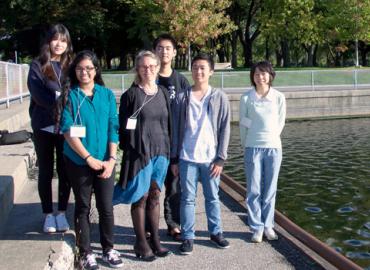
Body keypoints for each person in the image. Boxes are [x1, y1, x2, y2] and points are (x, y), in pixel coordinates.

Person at [59, 50, 123, 270]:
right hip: (78, 162)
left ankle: (108, 248)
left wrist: (112, 159)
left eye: (89, 68)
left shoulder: (106, 94)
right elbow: (68, 131)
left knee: (106, 207)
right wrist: (87, 158)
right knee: (83, 206)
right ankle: (86, 252)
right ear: (74, 70)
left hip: (105, 161)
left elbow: (113, 128)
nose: (84, 72)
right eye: (79, 68)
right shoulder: (70, 96)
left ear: (96, 70)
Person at [113, 51, 172, 261]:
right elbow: (123, 126)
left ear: (158, 67)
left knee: (156, 195)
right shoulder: (131, 95)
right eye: (143, 66)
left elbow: (167, 122)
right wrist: (130, 149)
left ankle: (155, 239)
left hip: (162, 150)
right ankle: (140, 241)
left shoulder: (163, 92)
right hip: (141, 152)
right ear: (137, 69)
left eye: (152, 66)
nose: (148, 70)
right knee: (141, 196)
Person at [171, 53, 231, 255]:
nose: (199, 71)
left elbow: (225, 129)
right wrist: (175, 158)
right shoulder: (182, 97)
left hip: (211, 158)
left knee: (213, 197)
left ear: (211, 71)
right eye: (195, 67)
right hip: (187, 157)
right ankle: (188, 236)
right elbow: (176, 129)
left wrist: (221, 158)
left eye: (203, 67)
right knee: (187, 198)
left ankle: (216, 232)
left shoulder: (219, 97)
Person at [27, 24, 72, 233]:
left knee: (65, 170)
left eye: (63, 40)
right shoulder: (38, 65)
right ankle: (47, 215)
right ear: (48, 41)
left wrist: (65, 108)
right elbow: (38, 94)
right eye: (56, 39)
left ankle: (62, 213)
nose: (59, 44)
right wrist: (59, 103)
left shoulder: (71, 65)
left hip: (66, 127)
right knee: (45, 170)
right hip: (44, 125)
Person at [239, 61, 286, 243]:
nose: (260, 77)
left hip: (273, 147)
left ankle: (268, 225)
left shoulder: (279, 97)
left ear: (270, 75)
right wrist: (246, 145)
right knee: (254, 189)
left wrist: (271, 137)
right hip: (252, 147)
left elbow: (280, 122)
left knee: (270, 189)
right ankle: (256, 227)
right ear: (252, 76)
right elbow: (244, 124)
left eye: (264, 73)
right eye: (257, 74)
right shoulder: (246, 98)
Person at [153, 34, 190, 241]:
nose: (164, 51)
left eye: (168, 48)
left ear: (175, 52)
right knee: (151, 186)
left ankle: (173, 224)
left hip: (174, 142)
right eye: (160, 47)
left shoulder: (180, 80)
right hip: (153, 142)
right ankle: (150, 225)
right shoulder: (149, 75)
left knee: (174, 186)